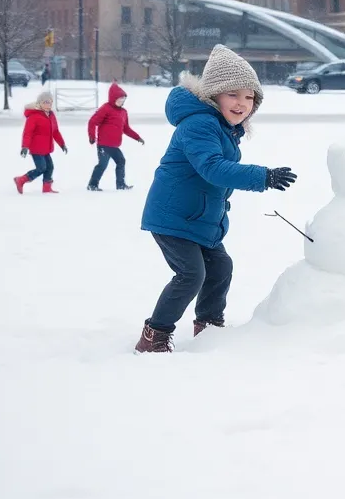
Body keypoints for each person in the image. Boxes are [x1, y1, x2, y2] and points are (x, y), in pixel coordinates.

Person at [134, 44, 298, 353]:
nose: (242, 104)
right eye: (233, 94)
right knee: (191, 274)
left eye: (249, 97)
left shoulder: (222, 128)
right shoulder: (200, 124)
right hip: (172, 216)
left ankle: (208, 328)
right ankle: (153, 335)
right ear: (214, 95)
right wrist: (262, 176)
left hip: (197, 218)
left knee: (220, 267)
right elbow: (212, 169)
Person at [87, 81, 144, 191]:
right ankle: (92, 185)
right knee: (102, 165)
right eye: (119, 99)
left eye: (123, 100)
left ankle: (121, 185)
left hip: (114, 145)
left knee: (121, 161)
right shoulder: (106, 108)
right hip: (104, 144)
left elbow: (126, 129)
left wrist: (137, 137)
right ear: (113, 98)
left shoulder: (123, 112)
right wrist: (92, 136)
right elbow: (92, 122)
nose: (121, 102)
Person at [14, 90, 67, 194]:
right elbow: (27, 133)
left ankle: (47, 187)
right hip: (36, 148)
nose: (48, 105)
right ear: (40, 103)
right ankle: (21, 180)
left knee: (50, 167)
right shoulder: (33, 116)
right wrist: (25, 146)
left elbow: (55, 131)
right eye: (45, 102)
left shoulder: (51, 115)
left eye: (50, 102)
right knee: (41, 168)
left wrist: (62, 144)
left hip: (46, 148)